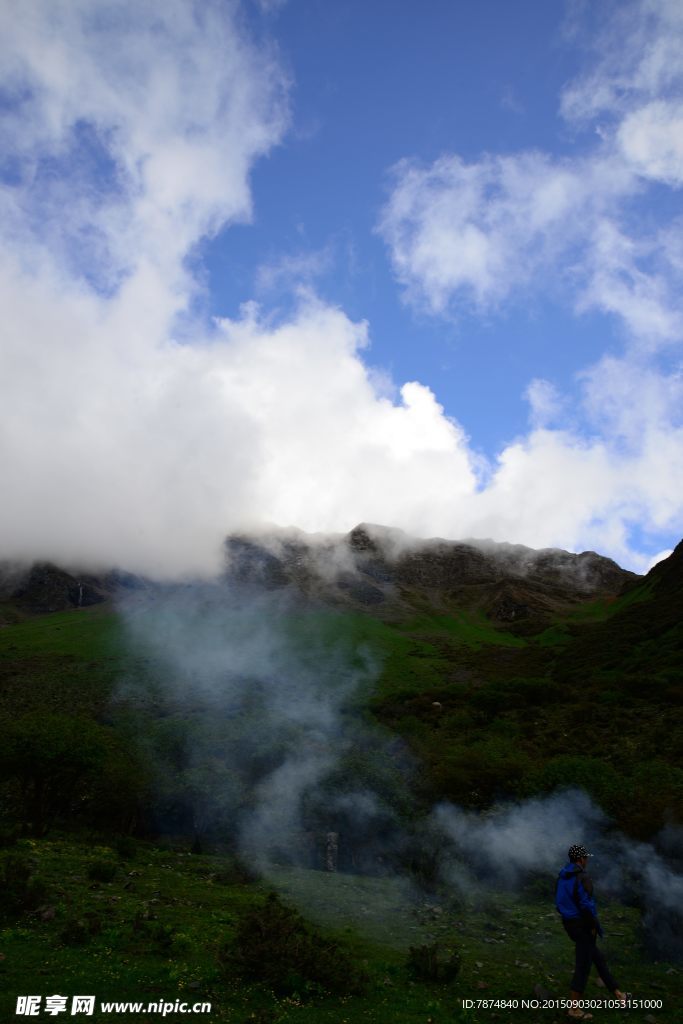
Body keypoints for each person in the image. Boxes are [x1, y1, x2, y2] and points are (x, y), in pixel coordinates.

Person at [555, 844, 630, 1021]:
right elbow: (586, 905)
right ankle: (574, 1009)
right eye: (586, 858)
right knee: (583, 965)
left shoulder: (562, 876)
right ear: (580, 859)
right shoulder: (582, 877)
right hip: (583, 925)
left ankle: (619, 995)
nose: (587, 860)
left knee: (597, 958)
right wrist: (594, 925)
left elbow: (559, 902)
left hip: (569, 924)